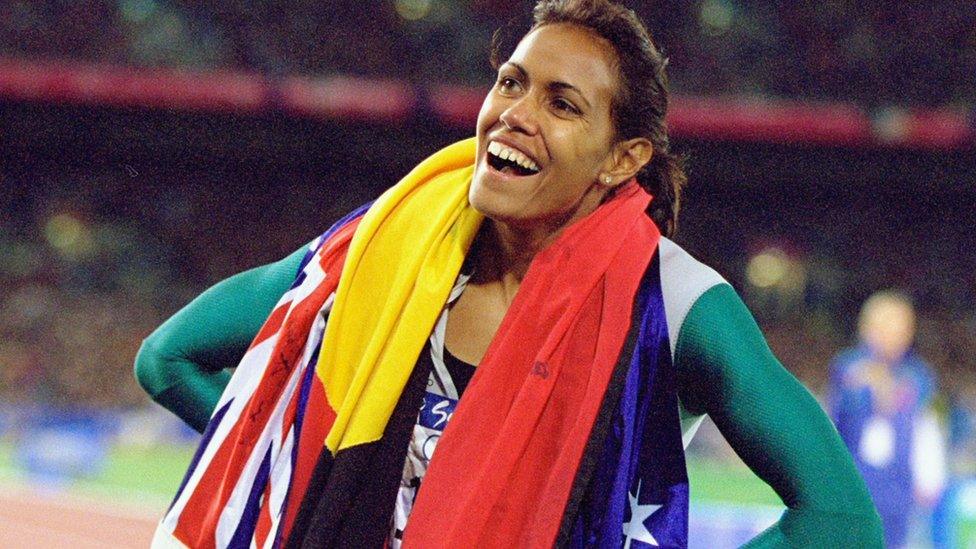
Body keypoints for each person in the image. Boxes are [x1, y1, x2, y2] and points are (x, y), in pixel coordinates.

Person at [136, 1, 882, 546]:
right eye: (512, 82)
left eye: (562, 104)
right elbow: (165, 359)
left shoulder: (675, 303)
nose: (514, 114)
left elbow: (842, 520)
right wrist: (325, 484)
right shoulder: (386, 248)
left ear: (623, 159)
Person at [830, 290, 945, 548]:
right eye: (888, 326)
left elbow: (924, 425)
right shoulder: (847, 366)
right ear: (868, 328)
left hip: (900, 494)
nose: (897, 335)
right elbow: (841, 417)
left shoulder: (918, 374)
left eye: (903, 328)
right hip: (855, 489)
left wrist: (929, 477)